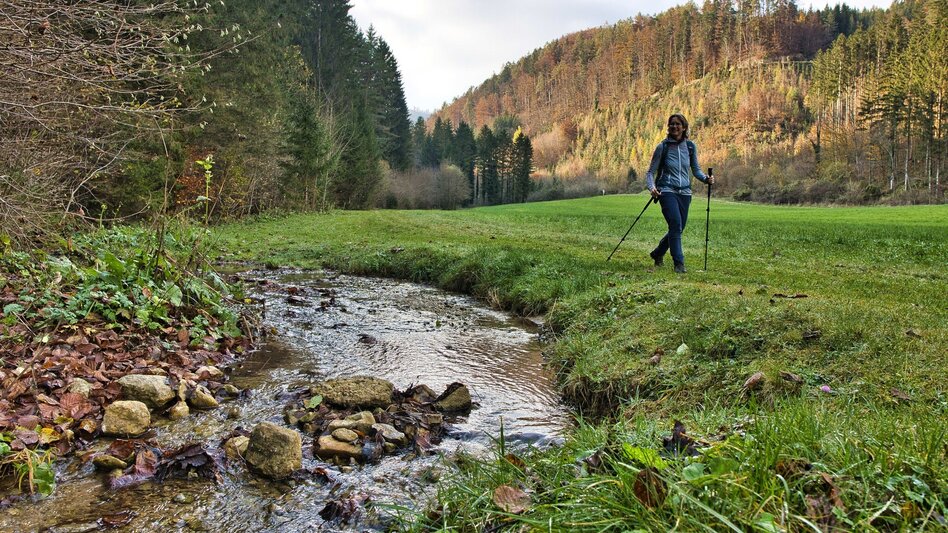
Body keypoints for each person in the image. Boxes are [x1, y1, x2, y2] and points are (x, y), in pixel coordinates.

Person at [645, 113, 714, 273]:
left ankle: (657, 253)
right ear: (668, 127)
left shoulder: (690, 147)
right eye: (671, 124)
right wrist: (652, 188)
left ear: (684, 127)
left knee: (678, 228)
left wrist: (706, 179)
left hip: (685, 193)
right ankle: (679, 264)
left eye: (677, 124)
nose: (674, 127)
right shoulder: (663, 147)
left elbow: (695, 169)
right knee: (675, 224)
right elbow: (650, 172)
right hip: (667, 191)